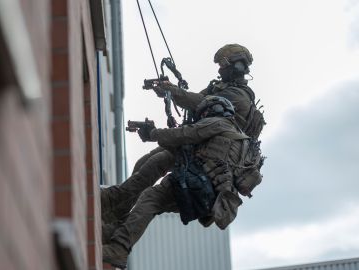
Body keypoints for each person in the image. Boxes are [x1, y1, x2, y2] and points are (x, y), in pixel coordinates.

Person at [101, 44, 265, 226]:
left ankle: (111, 203)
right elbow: (194, 99)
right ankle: (118, 211)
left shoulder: (238, 96)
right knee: (145, 162)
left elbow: (199, 102)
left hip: (206, 156)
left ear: (238, 66)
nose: (220, 68)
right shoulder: (221, 87)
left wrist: (172, 91)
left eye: (224, 64)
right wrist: (168, 88)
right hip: (198, 145)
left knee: (155, 165)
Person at [102, 96, 263, 269]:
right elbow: (187, 152)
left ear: (212, 111)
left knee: (151, 198)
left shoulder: (218, 124)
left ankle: (119, 248)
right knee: (152, 205)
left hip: (196, 184)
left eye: (203, 114)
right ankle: (113, 234)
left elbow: (186, 134)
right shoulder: (237, 139)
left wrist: (153, 133)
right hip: (211, 199)